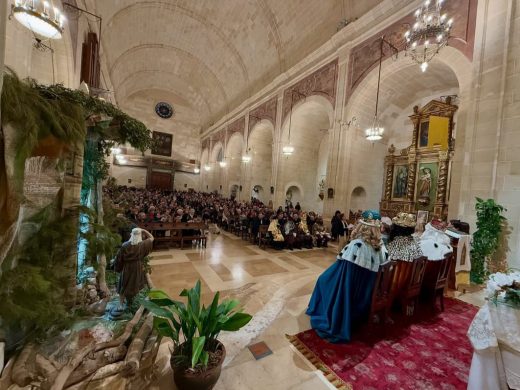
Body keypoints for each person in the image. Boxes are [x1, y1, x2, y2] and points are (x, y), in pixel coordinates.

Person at [306, 210, 388, 343]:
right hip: (367, 292)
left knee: (322, 280)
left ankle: (336, 316)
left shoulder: (356, 246)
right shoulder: (381, 247)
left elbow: (343, 273)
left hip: (352, 292)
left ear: (361, 226)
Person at [115, 228, 154, 309]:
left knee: (123, 284)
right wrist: (144, 230)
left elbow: (119, 259)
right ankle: (136, 303)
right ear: (140, 235)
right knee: (136, 283)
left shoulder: (125, 245)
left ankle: (121, 305)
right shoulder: (143, 244)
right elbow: (151, 238)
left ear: (131, 234)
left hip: (127, 267)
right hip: (137, 266)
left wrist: (118, 268)